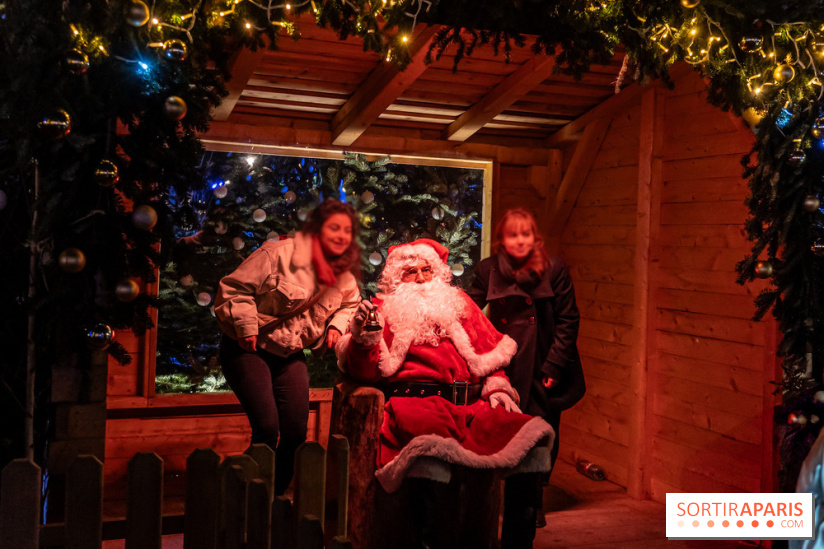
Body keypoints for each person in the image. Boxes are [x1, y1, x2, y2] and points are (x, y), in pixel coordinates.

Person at [335, 238, 554, 549]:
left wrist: (498, 386)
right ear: (397, 278)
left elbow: (491, 354)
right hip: (416, 406)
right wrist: (363, 339)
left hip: (471, 407)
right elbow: (363, 371)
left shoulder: (460, 305)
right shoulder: (381, 309)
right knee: (430, 460)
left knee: (532, 443)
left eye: (427, 270)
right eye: (411, 272)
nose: (422, 278)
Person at [214, 199, 361, 495]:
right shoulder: (276, 254)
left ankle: (273, 498)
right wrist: (246, 327)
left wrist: (336, 325)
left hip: (289, 354)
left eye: (347, 230)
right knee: (267, 430)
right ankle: (238, 493)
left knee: (294, 432)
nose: (341, 236)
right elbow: (233, 289)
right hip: (248, 349)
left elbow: (351, 303)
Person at [467, 207, 585, 529]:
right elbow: (470, 312)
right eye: (512, 234)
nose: (519, 240)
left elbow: (568, 319)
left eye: (525, 234)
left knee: (544, 430)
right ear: (501, 240)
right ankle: (510, 497)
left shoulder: (554, 268)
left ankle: (534, 498)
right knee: (507, 428)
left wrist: (555, 365)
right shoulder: (488, 270)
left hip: (544, 363)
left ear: (535, 238)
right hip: (507, 362)